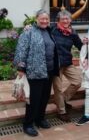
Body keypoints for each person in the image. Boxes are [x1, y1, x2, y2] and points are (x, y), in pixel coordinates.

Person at [14, 9, 59, 137]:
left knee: (44, 98)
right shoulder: (29, 32)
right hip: (35, 71)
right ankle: (28, 124)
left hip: (49, 71)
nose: (44, 21)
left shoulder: (50, 31)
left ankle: (40, 119)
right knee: (34, 99)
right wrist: (21, 68)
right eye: (42, 19)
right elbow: (21, 50)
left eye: (46, 19)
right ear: (36, 19)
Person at [52, 10, 83, 122]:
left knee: (77, 81)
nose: (65, 21)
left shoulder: (72, 32)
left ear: (70, 20)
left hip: (67, 63)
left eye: (67, 19)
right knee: (58, 88)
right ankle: (62, 111)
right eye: (63, 19)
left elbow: (80, 46)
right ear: (59, 20)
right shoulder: (52, 29)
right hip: (55, 64)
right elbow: (40, 30)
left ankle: (62, 100)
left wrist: (87, 47)